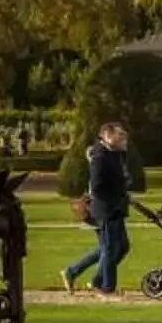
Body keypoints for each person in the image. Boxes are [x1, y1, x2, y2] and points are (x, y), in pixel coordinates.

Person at [63, 122, 137, 296]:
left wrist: (123, 192)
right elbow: (96, 186)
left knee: (121, 247)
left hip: (116, 207)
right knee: (110, 248)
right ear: (107, 136)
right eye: (119, 135)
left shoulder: (115, 154)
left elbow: (120, 178)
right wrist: (118, 191)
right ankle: (106, 287)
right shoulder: (100, 157)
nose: (122, 138)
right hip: (106, 209)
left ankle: (76, 273)